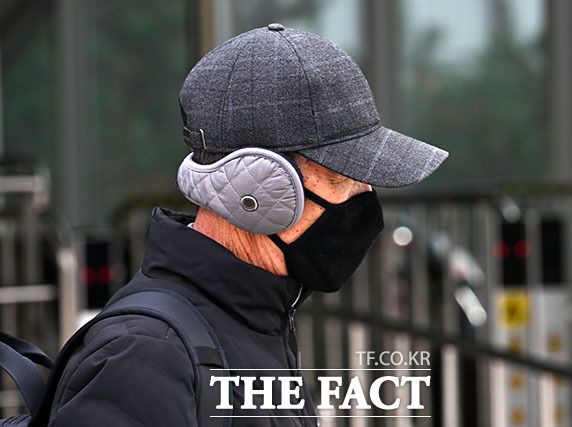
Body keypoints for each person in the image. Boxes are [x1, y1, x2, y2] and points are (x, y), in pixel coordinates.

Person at [46, 24, 448, 426]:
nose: (365, 200)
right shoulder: (147, 357)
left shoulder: (255, 325)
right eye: (341, 179)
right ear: (255, 186)